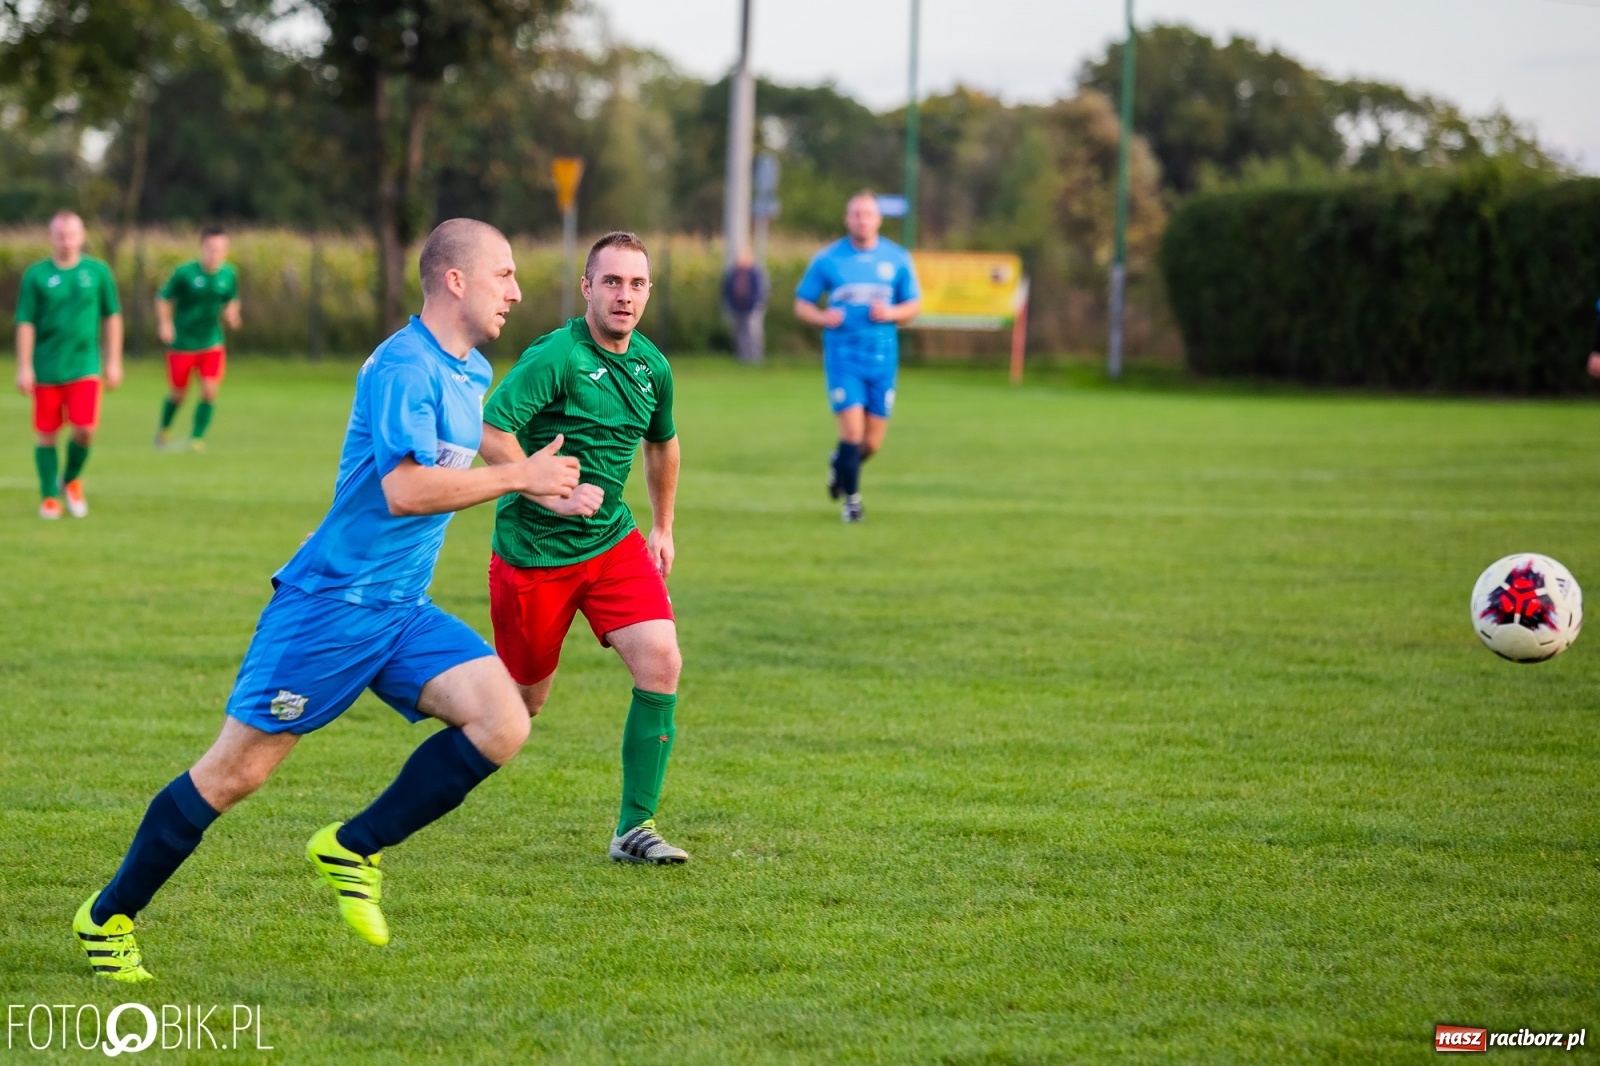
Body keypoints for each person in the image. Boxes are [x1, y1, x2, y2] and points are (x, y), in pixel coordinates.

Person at [71, 219, 582, 982]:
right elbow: (405, 489)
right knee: (233, 775)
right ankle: (106, 918)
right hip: (330, 606)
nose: (516, 290)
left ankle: (350, 848)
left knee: (503, 720)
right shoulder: (400, 367)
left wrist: (551, 483)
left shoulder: (471, 367)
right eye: (503, 274)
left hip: (401, 609)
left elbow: (484, 438)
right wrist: (519, 481)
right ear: (455, 280)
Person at [479, 231, 688, 865]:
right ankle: (446, 693)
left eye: (637, 284)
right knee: (520, 709)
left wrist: (662, 526)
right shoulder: (557, 357)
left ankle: (634, 828)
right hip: (533, 553)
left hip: (611, 541)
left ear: (648, 292)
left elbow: (663, 445)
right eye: (613, 282)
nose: (625, 296)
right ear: (587, 289)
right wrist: (550, 495)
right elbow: (490, 428)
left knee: (661, 660)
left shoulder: (653, 367)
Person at [793, 191, 920, 523]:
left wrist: (892, 311)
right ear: (847, 219)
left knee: (871, 443)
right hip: (843, 358)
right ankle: (852, 502)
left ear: (878, 219)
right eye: (856, 214)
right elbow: (802, 303)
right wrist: (823, 317)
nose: (862, 220)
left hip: (882, 360)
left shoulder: (897, 258)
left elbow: (914, 306)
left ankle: (840, 465)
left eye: (867, 214)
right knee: (852, 433)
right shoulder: (828, 259)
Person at [13, 210, 122, 519]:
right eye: (60, 235)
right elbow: (25, 322)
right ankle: (49, 497)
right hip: (46, 367)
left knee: (85, 429)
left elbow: (112, 317)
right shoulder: (35, 275)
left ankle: (70, 478)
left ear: (82, 236)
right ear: (51, 237)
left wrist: (113, 361)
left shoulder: (98, 272)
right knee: (47, 434)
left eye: (72, 235)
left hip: (85, 365)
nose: (66, 241)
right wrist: (24, 366)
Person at [154, 225, 241, 450]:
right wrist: (165, 324)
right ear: (202, 248)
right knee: (178, 395)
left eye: (221, 250)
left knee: (209, 390)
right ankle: (164, 429)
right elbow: (163, 297)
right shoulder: (185, 273)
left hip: (211, 342)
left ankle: (196, 437)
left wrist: (232, 314)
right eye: (211, 249)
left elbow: (231, 298)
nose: (215, 255)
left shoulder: (229, 274)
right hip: (182, 343)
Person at [721, 246, 768, 363]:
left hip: (752, 308)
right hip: (737, 308)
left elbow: (760, 290)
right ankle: (743, 358)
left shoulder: (755, 273)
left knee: (753, 334)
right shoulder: (733, 273)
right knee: (739, 334)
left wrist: (757, 304)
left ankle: (756, 358)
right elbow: (726, 289)